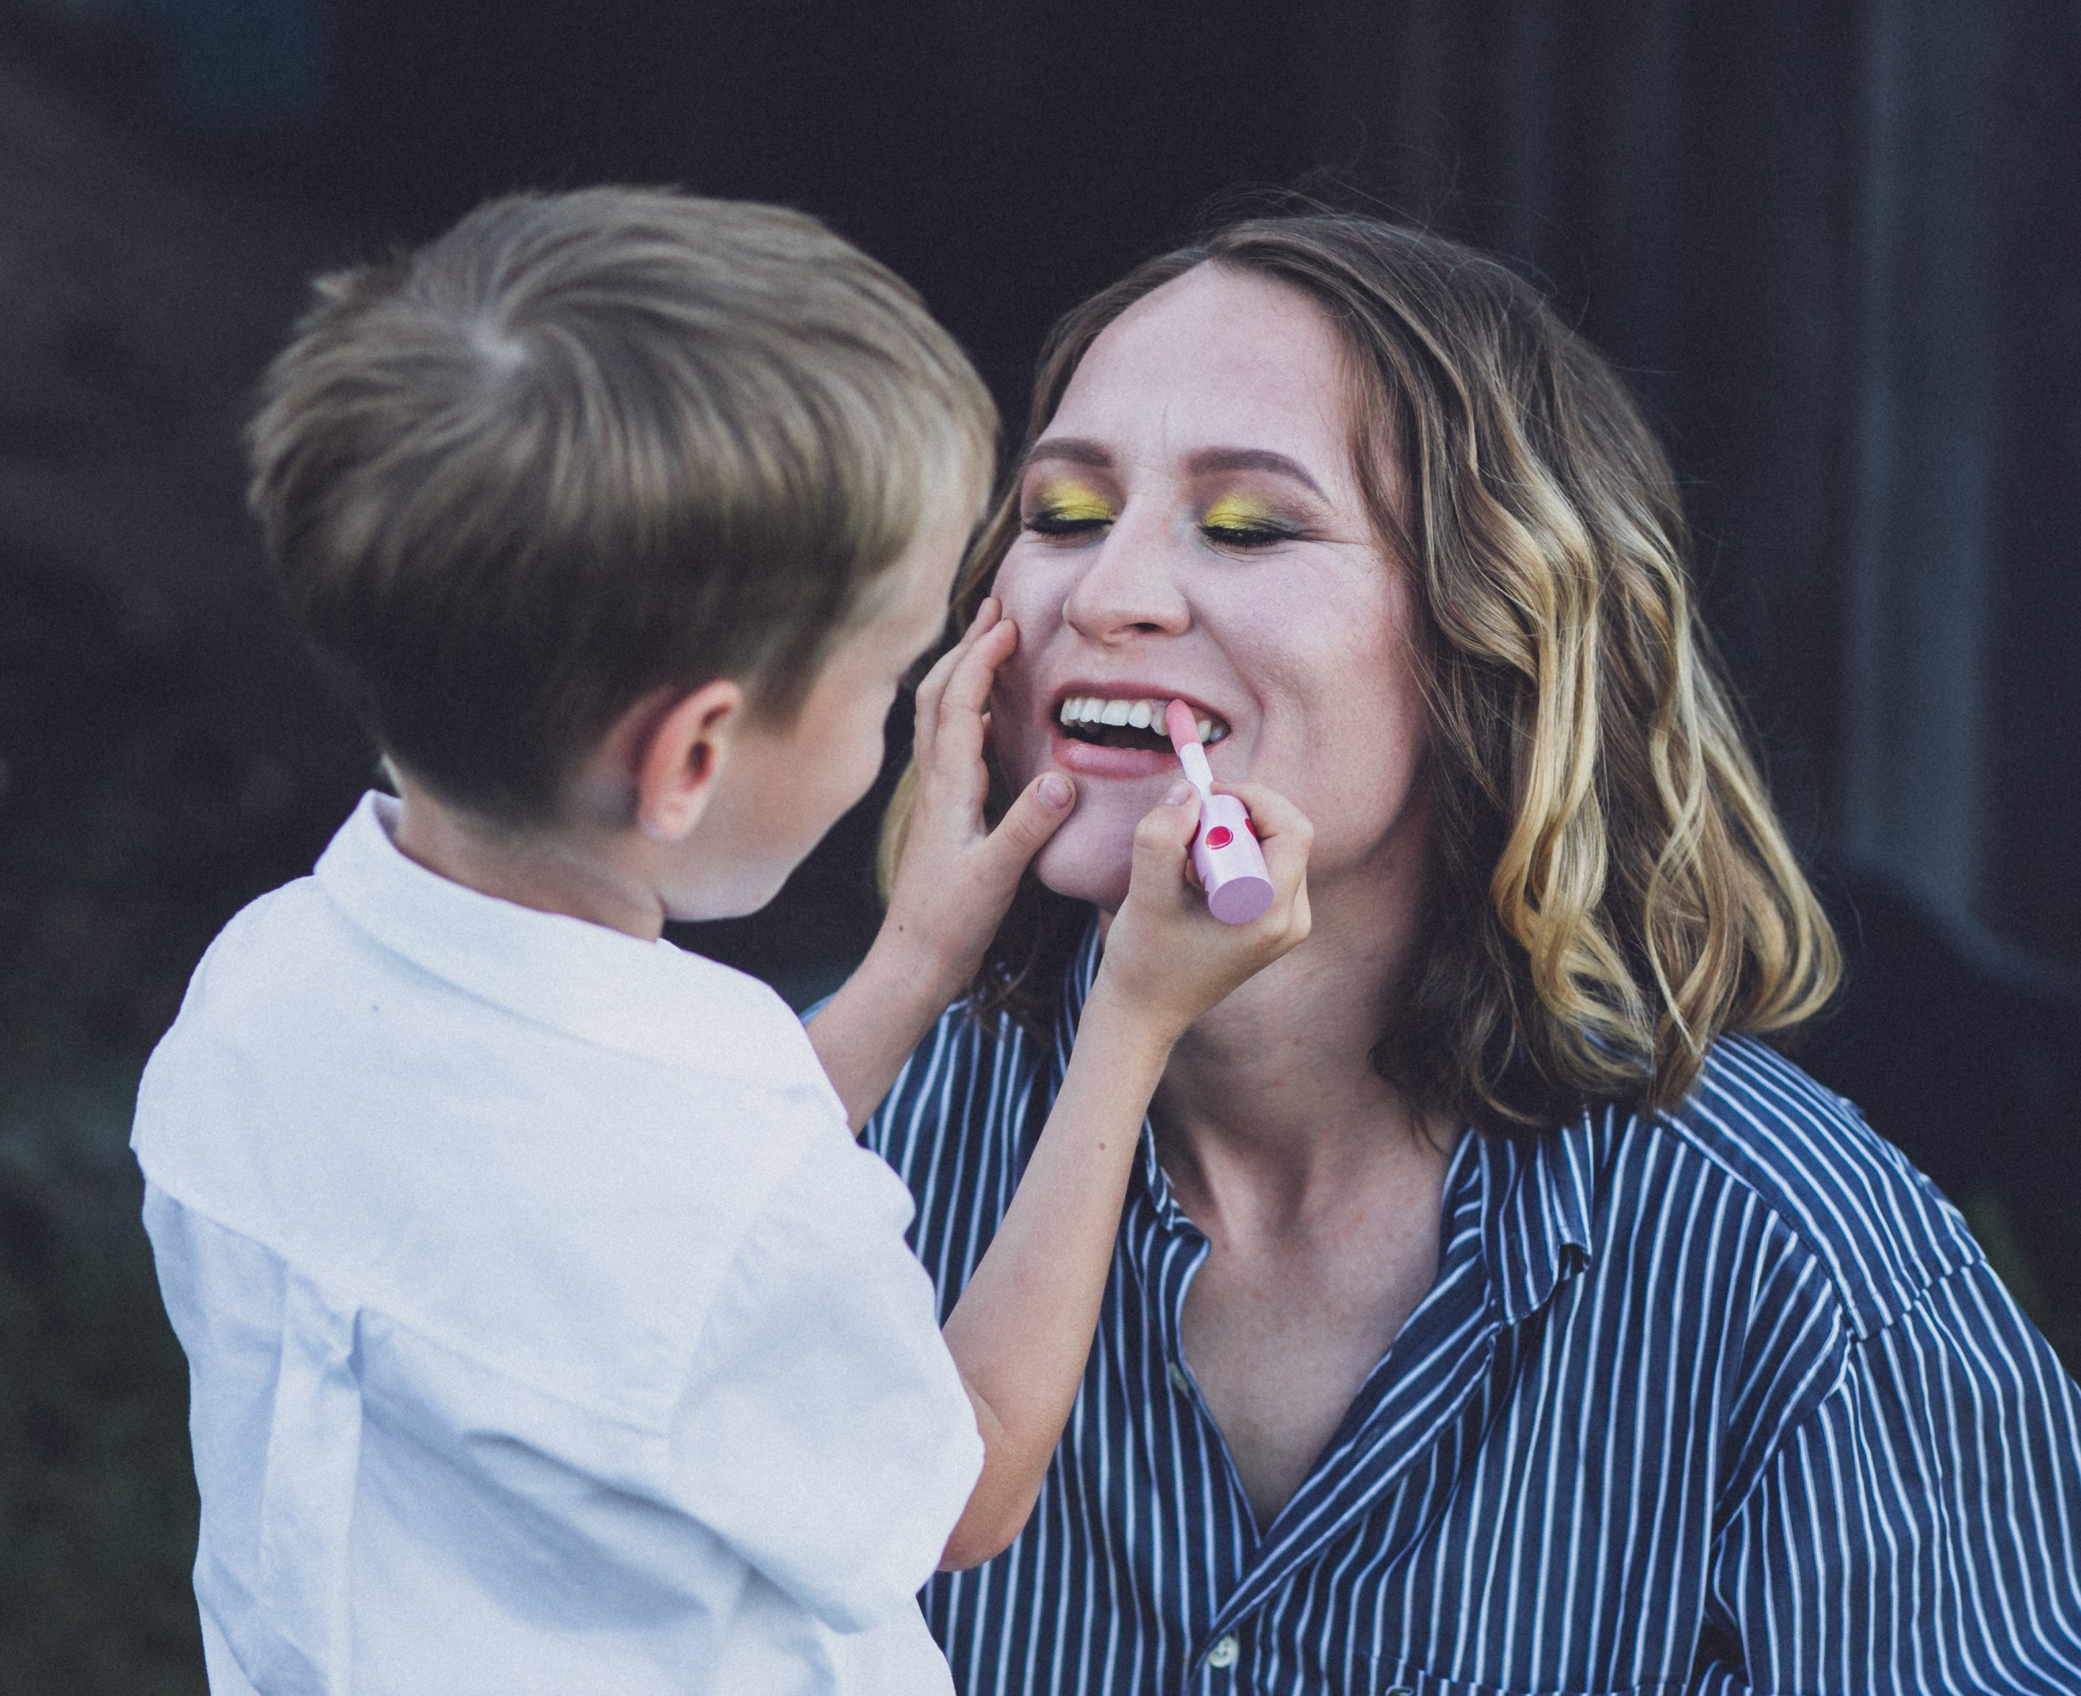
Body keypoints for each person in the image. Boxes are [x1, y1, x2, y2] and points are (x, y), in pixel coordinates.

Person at [809, 211, 2081, 1695]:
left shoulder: (1787, 1250)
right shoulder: (844, 1154)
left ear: (1489, 636)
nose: (1105, 591)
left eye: (1249, 525)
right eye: (1061, 514)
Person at [129, 188, 1306, 1696]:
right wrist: (1132, 1022)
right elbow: (969, 1484)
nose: (906, 715)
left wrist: (909, 966)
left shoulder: (265, 985)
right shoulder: (717, 1194)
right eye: (888, 675)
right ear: (692, 756)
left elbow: (609, 1200)